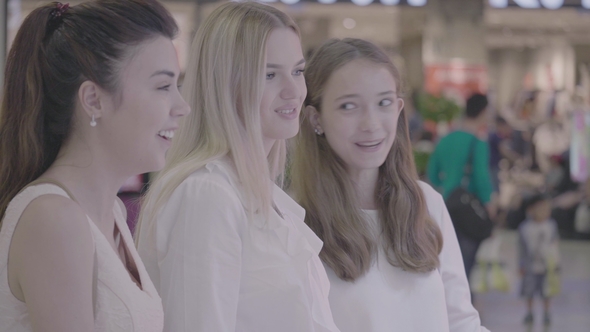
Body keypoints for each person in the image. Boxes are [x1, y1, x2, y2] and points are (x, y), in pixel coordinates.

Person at [135, 2, 340, 331]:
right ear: (224, 84)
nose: (293, 91)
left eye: (298, 71)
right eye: (270, 74)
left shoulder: (261, 194)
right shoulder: (206, 195)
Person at [0, 1, 189, 331]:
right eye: (162, 86)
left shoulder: (109, 212)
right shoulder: (54, 218)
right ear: (93, 100)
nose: (182, 106)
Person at [291, 38, 488, 332]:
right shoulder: (295, 221)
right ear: (315, 118)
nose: (371, 123)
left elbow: (461, 320)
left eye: (383, 103)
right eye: (348, 106)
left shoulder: (426, 203)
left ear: (398, 109)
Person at [427, 93, 494, 282]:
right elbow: (481, 177)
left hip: (447, 205)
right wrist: (489, 203)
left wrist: (447, 186)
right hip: (470, 210)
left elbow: (432, 173)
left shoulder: (445, 139)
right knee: (466, 265)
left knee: (447, 260)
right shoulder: (478, 142)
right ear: (482, 112)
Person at [518, 193, 560, 326]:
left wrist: (556, 263)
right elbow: (522, 249)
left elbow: (555, 245)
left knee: (546, 291)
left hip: (546, 266)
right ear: (531, 210)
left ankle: (546, 312)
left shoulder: (551, 226)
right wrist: (521, 264)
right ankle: (529, 312)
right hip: (531, 266)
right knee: (529, 291)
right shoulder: (525, 228)